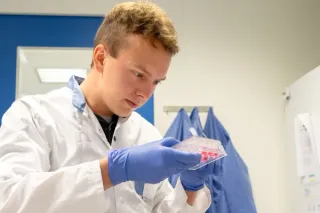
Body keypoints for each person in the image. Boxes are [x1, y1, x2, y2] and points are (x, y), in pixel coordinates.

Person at [0, 2, 213, 212]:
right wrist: (111, 170)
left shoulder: (148, 134)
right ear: (101, 58)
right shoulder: (33, 116)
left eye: (156, 81)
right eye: (139, 74)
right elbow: (9, 201)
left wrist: (189, 190)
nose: (146, 93)